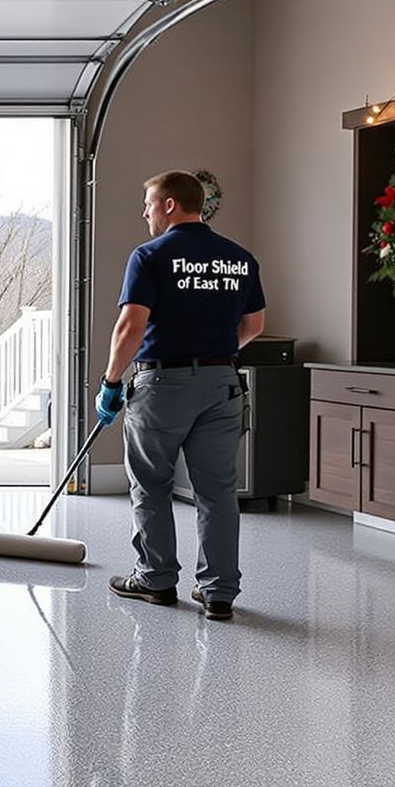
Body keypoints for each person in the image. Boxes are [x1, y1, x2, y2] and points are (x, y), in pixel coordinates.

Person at [96, 171, 265, 622]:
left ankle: (155, 580)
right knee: (217, 492)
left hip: (163, 386)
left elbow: (130, 327)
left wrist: (112, 382)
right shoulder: (239, 258)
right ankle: (218, 594)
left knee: (151, 484)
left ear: (170, 204)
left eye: (148, 203)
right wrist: (214, 350)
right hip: (222, 384)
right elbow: (254, 327)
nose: (145, 212)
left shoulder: (149, 256)